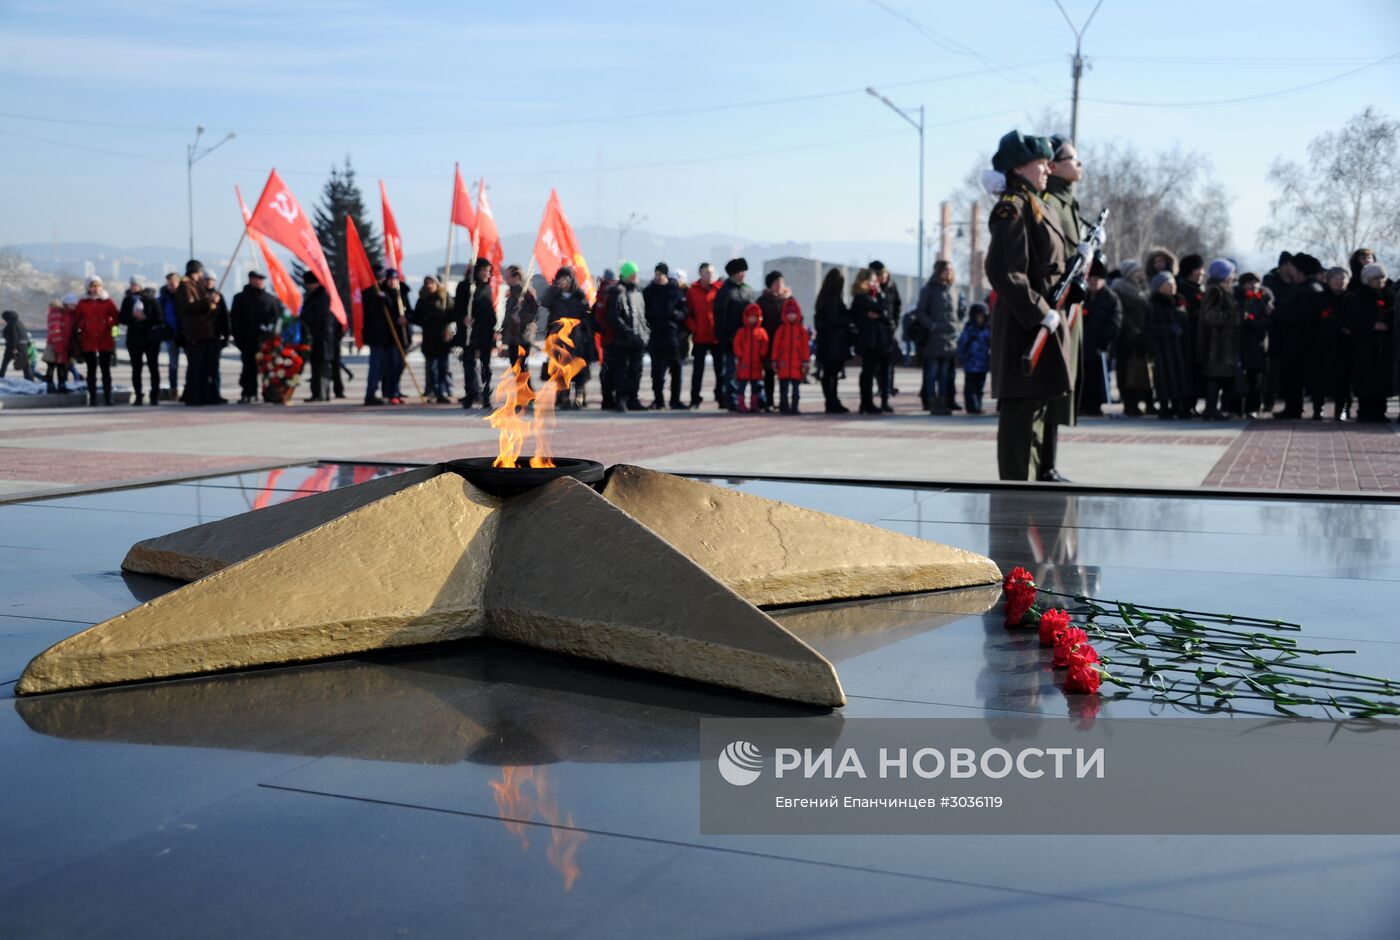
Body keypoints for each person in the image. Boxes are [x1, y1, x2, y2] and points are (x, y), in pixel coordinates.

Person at [984, 130, 1069, 479]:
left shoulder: (1037, 203)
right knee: (1020, 419)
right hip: (1025, 326)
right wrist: (1040, 312)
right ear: (1019, 167)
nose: (1048, 168)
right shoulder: (1012, 208)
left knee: (1037, 411)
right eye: (1040, 163)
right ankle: (1015, 499)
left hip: (1042, 322)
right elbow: (1004, 272)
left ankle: (1031, 494)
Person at [1274, 252, 1323, 419]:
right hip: (1291, 340)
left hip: (1301, 342)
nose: (1290, 271)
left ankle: (1296, 409)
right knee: (1290, 376)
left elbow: (1300, 316)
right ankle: (1292, 407)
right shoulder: (1299, 287)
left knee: (1296, 377)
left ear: (1301, 271)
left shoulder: (1311, 289)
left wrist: (1276, 314)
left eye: (1293, 268)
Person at [537, 266, 593, 408]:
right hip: (558, 339)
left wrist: (583, 332)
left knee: (578, 369)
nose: (564, 283)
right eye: (560, 280)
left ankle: (579, 397)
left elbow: (586, 316)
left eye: (566, 279)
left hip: (576, 338)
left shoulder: (579, 297)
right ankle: (563, 397)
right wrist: (554, 288)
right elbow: (544, 302)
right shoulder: (554, 296)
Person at [1347, 262, 1393, 423]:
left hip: (1384, 346)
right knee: (1366, 380)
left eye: (1382, 278)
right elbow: (1352, 320)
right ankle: (1365, 411)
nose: (1379, 282)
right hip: (1365, 346)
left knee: (1382, 380)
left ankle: (1380, 411)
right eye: (1375, 278)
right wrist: (1371, 325)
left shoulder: (1388, 295)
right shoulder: (1359, 297)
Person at [913, 260, 960, 415]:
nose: (949, 272)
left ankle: (944, 403)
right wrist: (932, 326)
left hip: (949, 338)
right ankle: (931, 402)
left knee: (945, 375)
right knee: (931, 373)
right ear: (938, 271)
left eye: (951, 270)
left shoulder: (953, 289)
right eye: (946, 269)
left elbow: (958, 311)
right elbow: (920, 312)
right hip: (933, 338)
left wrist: (956, 326)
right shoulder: (929, 289)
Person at [1196, 259, 1240, 420]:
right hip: (1216, 346)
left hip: (1224, 346)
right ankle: (1211, 408)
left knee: (1222, 378)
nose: (1234, 276)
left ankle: (1218, 408)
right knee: (1215, 378)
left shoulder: (1225, 290)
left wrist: (1245, 317)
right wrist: (1233, 318)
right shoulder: (1215, 291)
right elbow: (1209, 315)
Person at [603, 261, 649, 411]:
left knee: (636, 371)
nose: (636, 277)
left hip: (638, 339)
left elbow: (642, 316)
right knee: (621, 372)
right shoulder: (618, 292)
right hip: (623, 341)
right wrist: (628, 331)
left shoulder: (638, 293)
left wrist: (645, 332)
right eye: (632, 274)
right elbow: (613, 316)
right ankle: (621, 399)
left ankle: (633, 399)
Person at [229, 271, 280, 404]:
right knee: (249, 368)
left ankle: (269, 392)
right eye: (257, 279)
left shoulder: (270, 298)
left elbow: (276, 319)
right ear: (250, 280)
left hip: (266, 342)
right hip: (247, 340)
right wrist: (238, 338)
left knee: (268, 368)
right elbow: (235, 320)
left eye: (261, 279)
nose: (259, 282)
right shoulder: (240, 298)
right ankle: (248, 392)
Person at [642, 262, 688, 409]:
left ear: (665, 275)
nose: (658, 277)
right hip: (655, 336)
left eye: (660, 274)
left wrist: (676, 315)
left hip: (672, 335)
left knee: (676, 369)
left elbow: (684, 311)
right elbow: (644, 312)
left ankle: (675, 400)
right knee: (657, 372)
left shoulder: (674, 290)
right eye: (656, 274)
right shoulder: (649, 291)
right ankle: (659, 400)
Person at [712, 258, 755, 410]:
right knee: (730, 371)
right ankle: (731, 400)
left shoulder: (747, 290)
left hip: (748, 339)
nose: (743, 275)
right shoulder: (725, 291)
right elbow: (719, 317)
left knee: (746, 371)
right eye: (740, 272)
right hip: (730, 338)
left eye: (744, 272)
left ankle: (746, 399)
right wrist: (722, 337)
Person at [1112, 261, 1154, 416]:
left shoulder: (1143, 289)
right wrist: (1133, 331)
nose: (1140, 274)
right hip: (1126, 338)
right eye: (1136, 271)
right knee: (1126, 372)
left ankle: (1143, 402)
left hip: (1142, 336)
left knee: (1141, 370)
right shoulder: (1119, 289)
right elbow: (1121, 313)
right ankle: (1129, 404)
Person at [1147, 271, 1191, 419]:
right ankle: (1165, 406)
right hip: (1163, 349)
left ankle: (1180, 406)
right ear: (1159, 287)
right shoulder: (1154, 304)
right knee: (1165, 377)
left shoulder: (1180, 301)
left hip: (1181, 347)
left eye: (1173, 282)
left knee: (1181, 376)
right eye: (1168, 283)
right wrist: (1168, 329)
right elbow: (1149, 328)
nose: (1173, 286)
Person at [455, 258, 498, 409]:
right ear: (477, 271)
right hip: (469, 332)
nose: (487, 273)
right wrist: (463, 318)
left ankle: (486, 395)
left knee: (486, 365)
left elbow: (489, 309)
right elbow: (457, 307)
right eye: (484, 270)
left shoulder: (487, 288)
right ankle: (470, 394)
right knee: (469, 363)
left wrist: (494, 323)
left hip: (485, 331)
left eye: (489, 270)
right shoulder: (464, 286)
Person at [118, 276, 167, 405]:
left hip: (150, 339)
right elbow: (122, 318)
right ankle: (139, 395)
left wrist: (145, 317)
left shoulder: (151, 300)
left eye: (136, 284)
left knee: (153, 368)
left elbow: (160, 317)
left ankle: (154, 395)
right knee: (136, 369)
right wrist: (133, 317)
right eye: (132, 284)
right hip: (134, 339)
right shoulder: (128, 300)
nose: (133, 286)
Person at [1312, 266, 1352, 421]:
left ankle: (1341, 409)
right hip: (1322, 344)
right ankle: (1318, 409)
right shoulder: (1319, 298)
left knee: (1343, 379)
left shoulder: (1352, 298)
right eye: (1335, 278)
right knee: (1319, 379)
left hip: (1345, 344)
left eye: (1342, 278)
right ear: (1328, 280)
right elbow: (1314, 319)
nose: (1339, 281)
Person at [851, 267, 893, 415]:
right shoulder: (861, 298)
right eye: (873, 281)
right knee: (868, 372)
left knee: (881, 372)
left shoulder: (873, 296)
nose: (876, 284)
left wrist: (879, 313)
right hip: (869, 341)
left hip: (880, 340)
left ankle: (881, 400)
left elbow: (886, 313)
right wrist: (879, 304)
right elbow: (880, 309)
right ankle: (866, 402)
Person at [74, 275, 120, 406]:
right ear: (88, 288)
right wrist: (83, 326)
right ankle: (92, 398)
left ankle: (107, 397)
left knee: (106, 370)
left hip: (105, 340)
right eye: (93, 286)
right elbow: (77, 319)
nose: (95, 289)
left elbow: (116, 317)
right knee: (91, 371)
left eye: (98, 286)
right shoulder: (83, 303)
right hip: (88, 341)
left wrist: (109, 325)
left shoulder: (107, 301)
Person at [812, 268, 852, 414]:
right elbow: (834, 320)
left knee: (830, 374)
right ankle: (831, 401)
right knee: (831, 374)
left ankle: (832, 400)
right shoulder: (833, 300)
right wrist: (849, 317)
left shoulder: (823, 298)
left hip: (827, 342)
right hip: (834, 343)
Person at [1079, 274, 1120, 416]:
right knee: (1083, 376)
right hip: (1083, 344)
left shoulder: (1110, 297)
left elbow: (1115, 320)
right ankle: (1081, 405)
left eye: (1096, 279)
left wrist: (1105, 338)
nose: (1093, 282)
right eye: (1091, 279)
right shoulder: (1082, 295)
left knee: (1097, 377)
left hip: (1099, 345)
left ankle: (1095, 406)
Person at [1235, 272, 1273, 419]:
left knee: (1255, 379)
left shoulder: (1265, 297)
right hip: (1239, 343)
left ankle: (1253, 408)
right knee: (1237, 378)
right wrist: (1241, 317)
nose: (1254, 285)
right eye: (1250, 282)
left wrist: (1252, 323)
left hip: (1258, 343)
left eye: (1256, 282)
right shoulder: (1236, 297)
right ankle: (1235, 408)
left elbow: (1269, 318)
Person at [411, 275, 454, 403]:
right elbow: (416, 318)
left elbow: (453, 313)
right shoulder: (422, 300)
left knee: (443, 367)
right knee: (432, 368)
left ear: (437, 284)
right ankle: (433, 391)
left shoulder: (445, 298)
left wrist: (445, 316)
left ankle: (441, 392)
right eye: (427, 283)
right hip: (429, 338)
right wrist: (426, 319)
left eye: (431, 283)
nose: (429, 285)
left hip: (443, 337)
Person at [684, 262, 721, 408]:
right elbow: (688, 313)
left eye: (712, 272)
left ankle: (720, 396)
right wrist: (694, 328)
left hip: (716, 336)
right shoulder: (693, 291)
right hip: (700, 336)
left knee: (720, 370)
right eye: (707, 272)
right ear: (700, 274)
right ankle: (695, 399)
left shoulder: (719, 290)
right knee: (697, 371)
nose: (710, 275)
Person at [755, 270, 790, 411]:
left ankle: (784, 401)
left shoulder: (788, 300)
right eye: (776, 283)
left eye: (781, 282)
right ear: (770, 285)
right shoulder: (762, 301)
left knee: (784, 374)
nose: (780, 285)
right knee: (768, 373)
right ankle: (768, 401)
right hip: (768, 341)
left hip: (784, 342)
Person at [299, 270, 335, 403]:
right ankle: (319, 393)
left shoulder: (321, 297)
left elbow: (321, 318)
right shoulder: (316, 296)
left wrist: (306, 319)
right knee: (317, 367)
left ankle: (321, 394)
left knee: (321, 368)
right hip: (318, 338)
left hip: (321, 339)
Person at [771, 297, 810, 414]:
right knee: (783, 389)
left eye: (793, 313)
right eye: (789, 314)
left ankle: (795, 406)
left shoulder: (801, 331)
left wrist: (805, 361)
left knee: (796, 389)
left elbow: (805, 348)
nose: (791, 316)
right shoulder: (781, 330)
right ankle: (784, 406)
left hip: (797, 364)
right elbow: (776, 346)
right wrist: (774, 360)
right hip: (784, 364)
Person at [870, 261, 902, 399]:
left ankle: (888, 387)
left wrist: (895, 322)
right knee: (877, 363)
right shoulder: (872, 288)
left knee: (890, 361)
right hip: (876, 329)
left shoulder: (891, 286)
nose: (882, 277)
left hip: (889, 328)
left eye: (883, 274)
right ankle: (882, 387)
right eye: (879, 274)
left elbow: (897, 304)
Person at [500, 264, 539, 373]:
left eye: (508, 277)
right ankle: (522, 389)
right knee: (515, 366)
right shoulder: (511, 292)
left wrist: (521, 318)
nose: (506, 279)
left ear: (516, 276)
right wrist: (503, 330)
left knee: (521, 366)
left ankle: (526, 389)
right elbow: (508, 314)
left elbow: (535, 312)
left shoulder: (527, 292)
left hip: (522, 335)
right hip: (511, 335)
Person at [732, 302, 769, 413]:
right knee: (741, 385)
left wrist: (762, 354)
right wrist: (740, 355)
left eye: (754, 317)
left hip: (756, 364)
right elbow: (736, 344)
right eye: (750, 317)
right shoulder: (741, 332)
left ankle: (754, 404)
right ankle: (741, 404)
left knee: (756, 386)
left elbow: (765, 344)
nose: (752, 319)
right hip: (744, 363)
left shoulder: (761, 332)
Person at [956, 302, 991, 414]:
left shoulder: (987, 331)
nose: (980, 319)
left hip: (983, 365)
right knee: (970, 388)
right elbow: (961, 345)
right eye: (978, 316)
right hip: (971, 365)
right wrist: (962, 358)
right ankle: (972, 407)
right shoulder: (969, 330)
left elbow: (991, 345)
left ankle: (978, 405)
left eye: (982, 316)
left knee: (980, 388)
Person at [42, 297, 77, 393]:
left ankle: (60, 385)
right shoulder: (57, 313)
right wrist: (59, 345)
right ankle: (51, 385)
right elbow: (55, 330)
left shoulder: (65, 314)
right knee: (52, 366)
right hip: (55, 345)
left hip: (61, 344)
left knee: (61, 366)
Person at [158, 271, 182, 399]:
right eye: (169, 284)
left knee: (192, 363)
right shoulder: (163, 298)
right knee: (173, 364)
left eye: (173, 284)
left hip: (185, 334)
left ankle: (191, 387)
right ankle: (174, 389)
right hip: (171, 334)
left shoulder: (184, 295)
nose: (171, 287)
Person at [1, 310, 34, 381]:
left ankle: (1, 376)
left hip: (14, 346)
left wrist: (13, 348)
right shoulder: (20, 323)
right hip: (23, 346)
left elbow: (14, 336)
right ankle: (29, 378)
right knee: (25, 363)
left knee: (5, 362)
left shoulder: (12, 324)